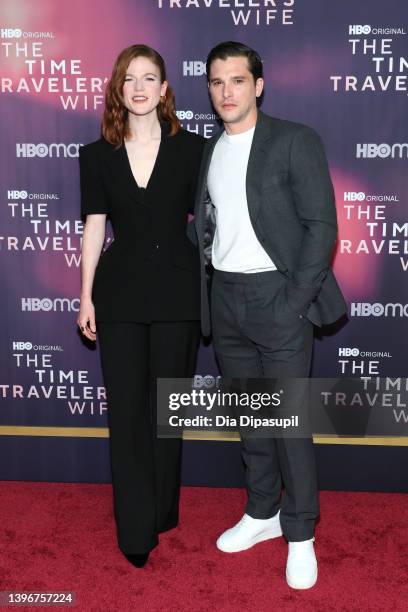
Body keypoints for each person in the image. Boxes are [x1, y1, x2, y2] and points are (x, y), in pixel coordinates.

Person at [191, 41, 347, 589]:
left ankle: (300, 533)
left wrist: (293, 302)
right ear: (208, 89)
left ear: (258, 85)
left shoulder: (293, 140)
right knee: (252, 421)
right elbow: (214, 221)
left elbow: (321, 227)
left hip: (278, 299)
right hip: (226, 300)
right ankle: (262, 514)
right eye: (216, 82)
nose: (226, 91)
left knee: (287, 425)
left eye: (237, 80)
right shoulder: (211, 151)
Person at [77, 44, 204, 569]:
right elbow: (94, 226)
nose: (139, 87)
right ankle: (135, 530)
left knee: (165, 410)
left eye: (149, 78)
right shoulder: (96, 154)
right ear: (118, 89)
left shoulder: (194, 149)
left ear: (165, 89)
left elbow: (210, 221)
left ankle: (160, 508)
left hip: (178, 295)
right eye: (130, 78)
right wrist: (85, 295)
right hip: (120, 295)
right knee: (128, 412)